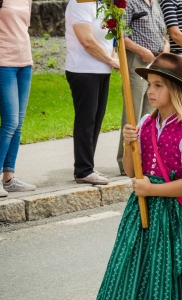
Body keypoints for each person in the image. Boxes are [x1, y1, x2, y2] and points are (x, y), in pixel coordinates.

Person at [97, 53, 182, 300]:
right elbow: (132, 171)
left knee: (167, 273)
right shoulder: (145, 122)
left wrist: (151, 190)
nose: (151, 91)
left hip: (174, 215)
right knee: (130, 268)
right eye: (150, 84)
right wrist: (130, 145)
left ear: (176, 89)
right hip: (141, 212)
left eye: (158, 85)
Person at [0, 0, 36, 198]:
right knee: (10, 122)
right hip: (1, 61)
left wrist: (29, 60)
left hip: (24, 63)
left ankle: (9, 177)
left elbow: (23, 28)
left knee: (19, 123)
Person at [65, 0, 120, 185]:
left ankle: (87, 166)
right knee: (86, 119)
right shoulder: (79, 3)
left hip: (102, 70)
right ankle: (83, 170)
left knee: (96, 119)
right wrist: (110, 60)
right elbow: (87, 41)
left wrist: (114, 56)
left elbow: (110, 35)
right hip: (83, 69)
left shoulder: (104, 4)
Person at [116, 0, 170, 175]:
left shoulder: (155, 3)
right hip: (138, 60)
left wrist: (165, 49)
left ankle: (147, 156)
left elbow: (163, 34)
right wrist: (142, 51)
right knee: (133, 111)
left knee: (151, 111)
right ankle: (126, 162)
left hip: (156, 61)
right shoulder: (129, 3)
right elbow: (121, 36)